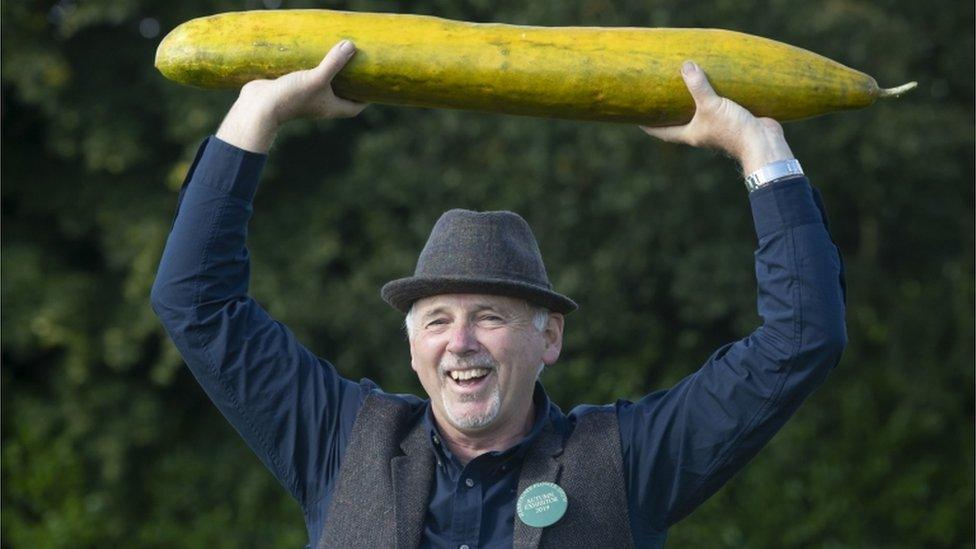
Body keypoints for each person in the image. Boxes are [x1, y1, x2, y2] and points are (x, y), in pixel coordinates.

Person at [151, 39, 847, 549]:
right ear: (412, 343)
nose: (460, 342)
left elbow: (801, 338)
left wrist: (760, 152)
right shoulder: (336, 442)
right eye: (437, 320)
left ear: (549, 336)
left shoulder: (627, 462)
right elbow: (195, 304)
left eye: (489, 316)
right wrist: (255, 115)